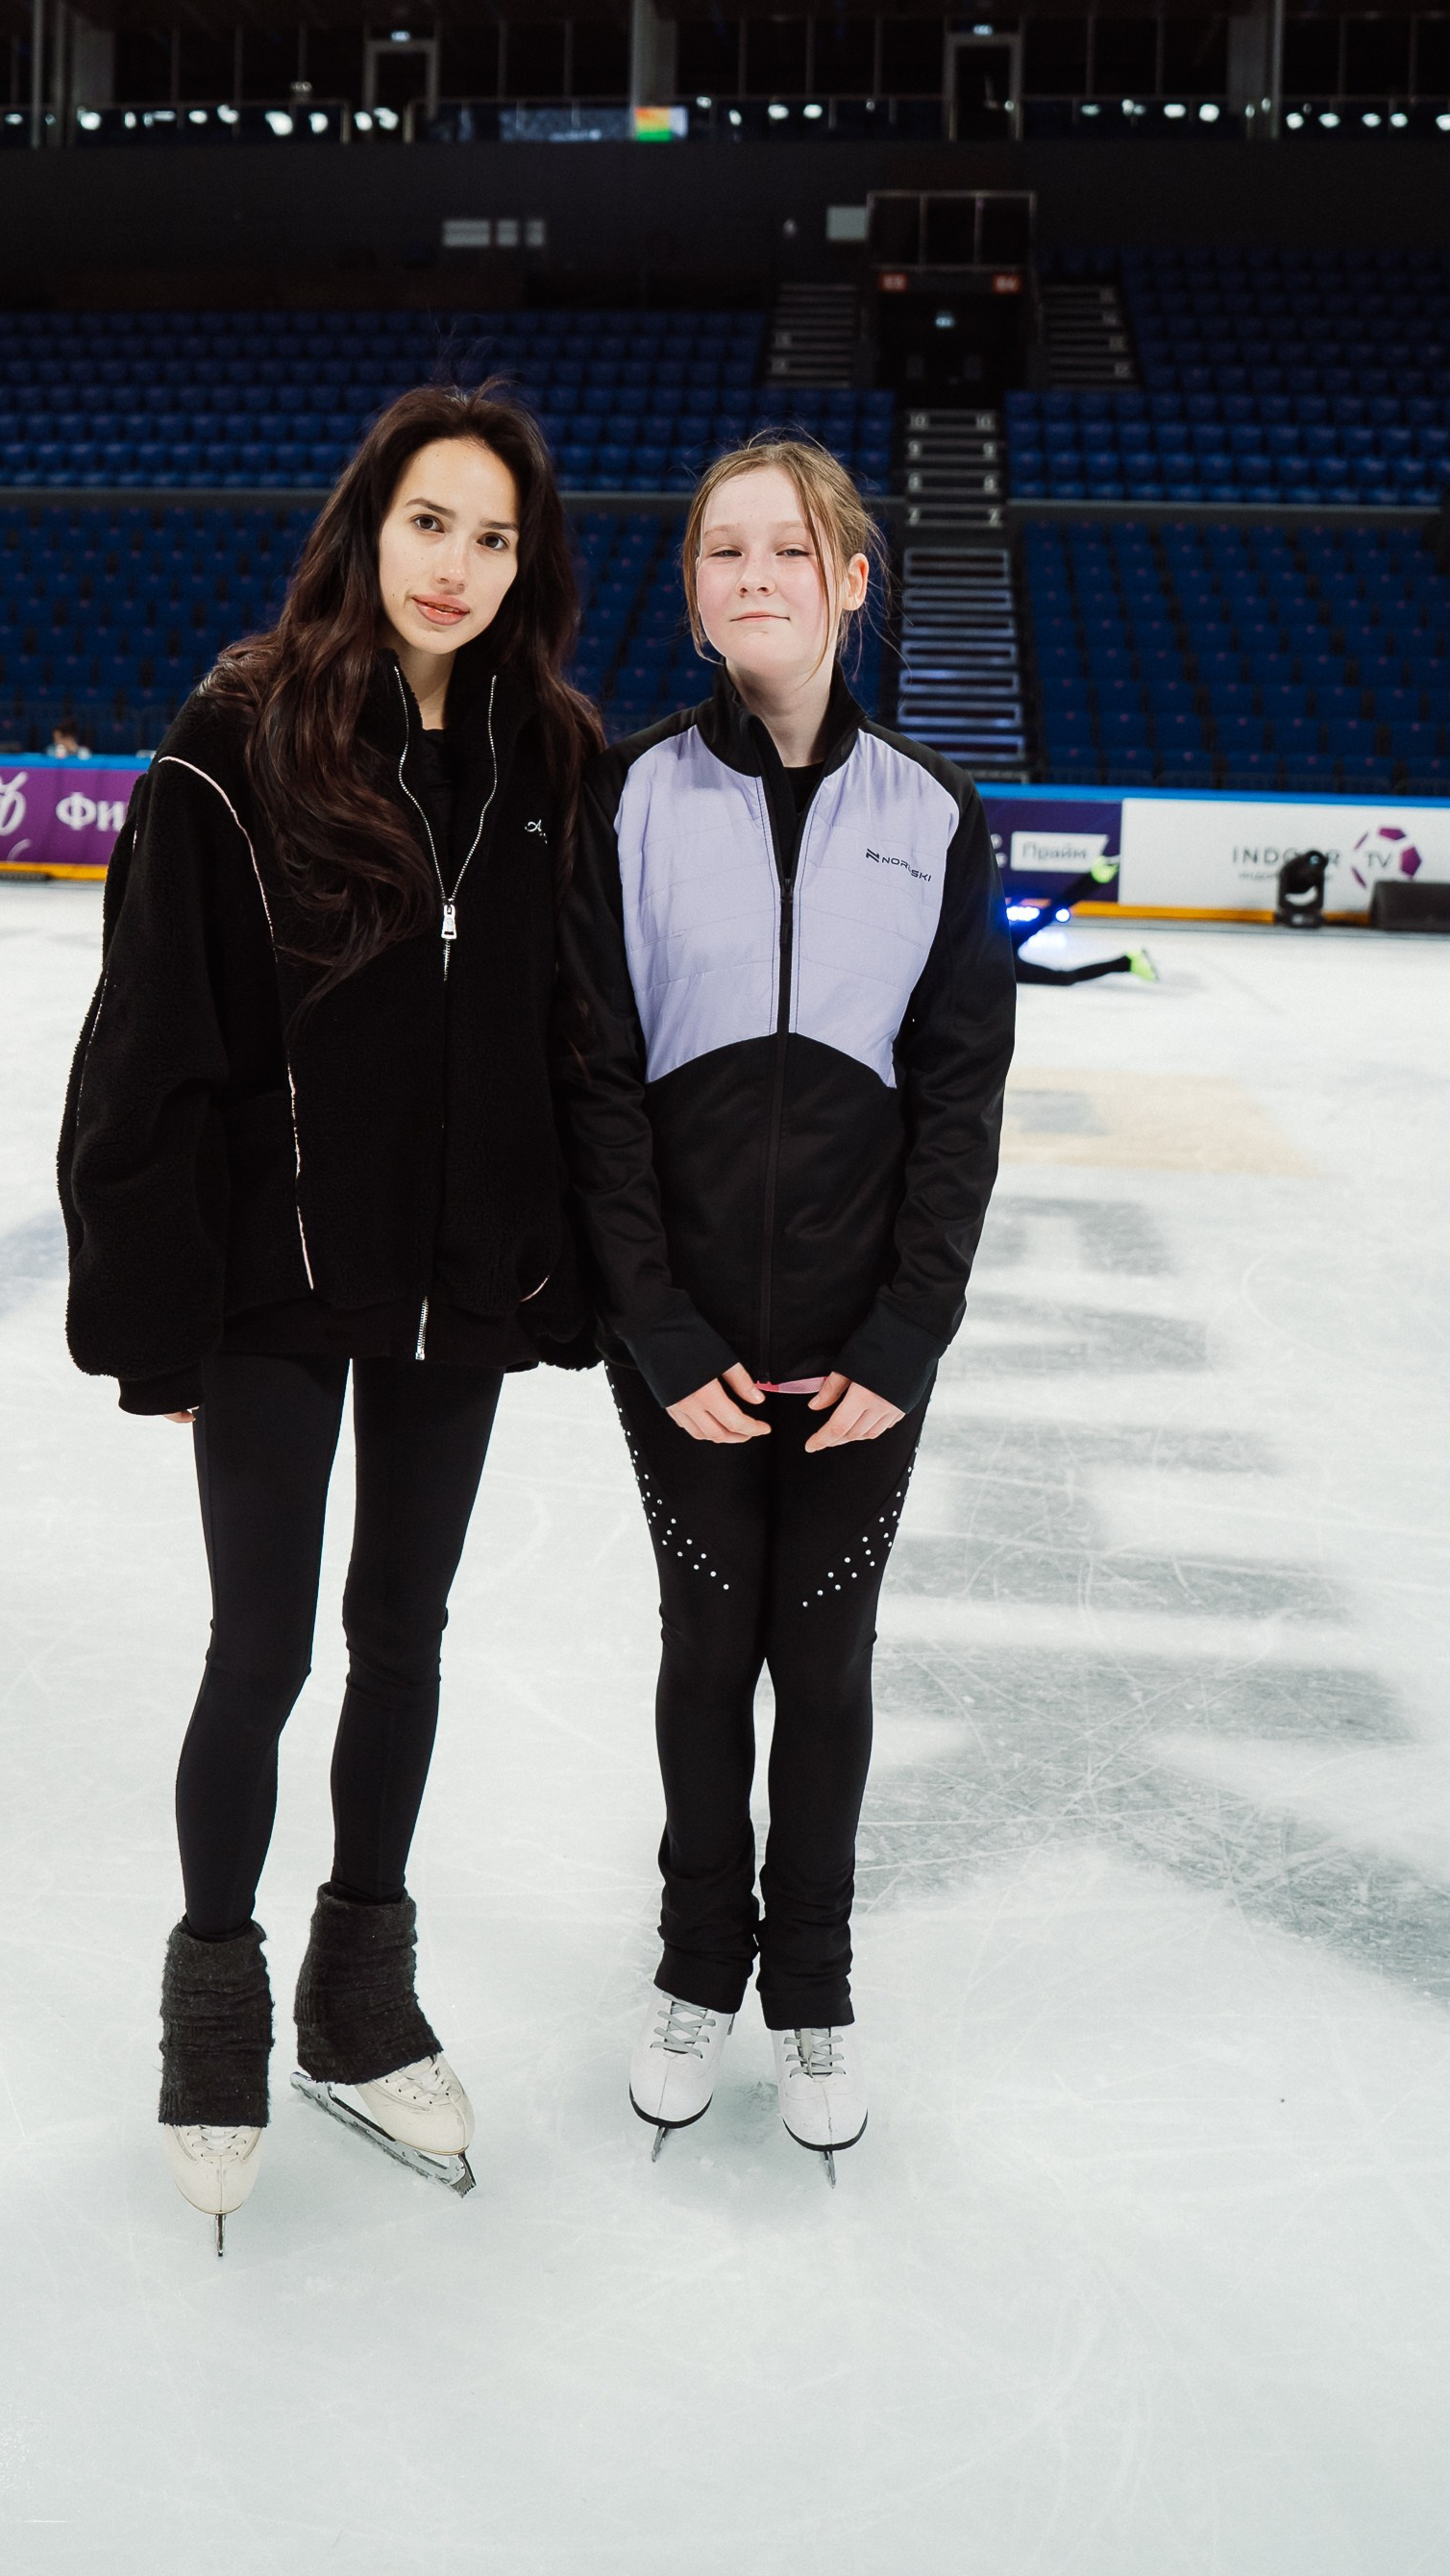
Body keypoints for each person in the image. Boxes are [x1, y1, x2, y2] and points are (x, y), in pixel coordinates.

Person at [60, 385, 599, 2239]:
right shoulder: (235, 740)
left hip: (460, 1280)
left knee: (408, 1635)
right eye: (431, 522)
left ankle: (359, 2004)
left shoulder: (552, 757)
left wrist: (564, 1265)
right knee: (265, 1651)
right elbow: (147, 1046)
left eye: (496, 536)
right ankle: (214, 2000)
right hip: (274, 1288)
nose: (458, 564)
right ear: (369, 523)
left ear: (530, 566)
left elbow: (571, 1037)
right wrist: (160, 1326)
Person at [556, 439, 1016, 2174]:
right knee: (704, 1647)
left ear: (850, 581)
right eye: (720, 550)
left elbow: (962, 1101)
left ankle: (809, 1986)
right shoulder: (627, 796)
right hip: (673, 1340)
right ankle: (697, 1966)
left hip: (857, 1349)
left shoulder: (934, 815)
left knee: (819, 1661)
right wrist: (653, 1332)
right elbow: (594, 1083)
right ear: (693, 591)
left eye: (786, 547)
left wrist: (906, 1341)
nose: (752, 573)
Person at [1009, 855, 1158, 986]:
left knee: (1046, 916)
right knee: (1046, 916)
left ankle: (1126, 963)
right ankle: (1094, 878)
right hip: (996, 956)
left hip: (995, 954)